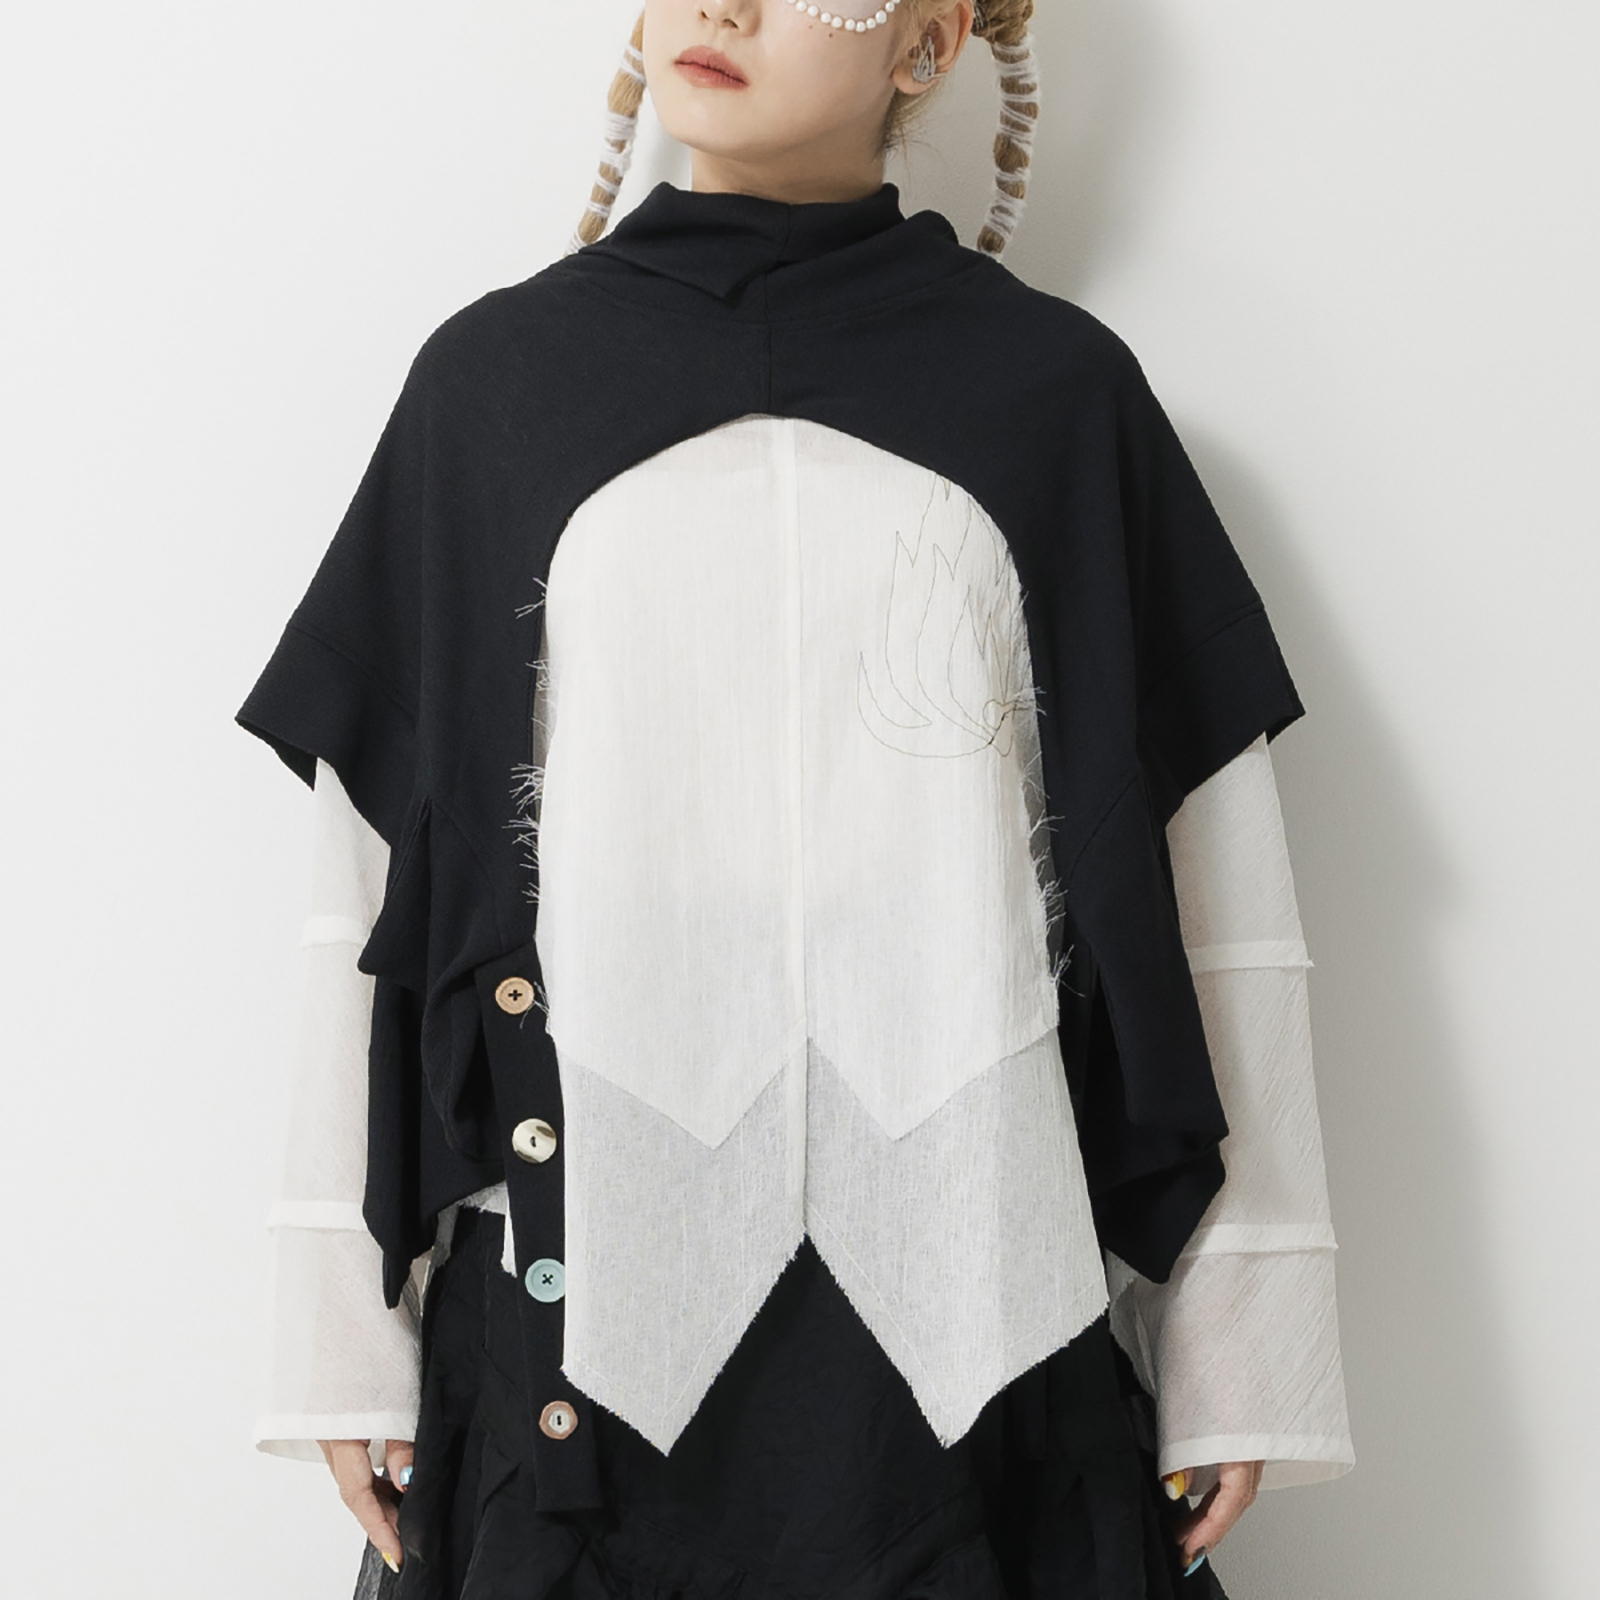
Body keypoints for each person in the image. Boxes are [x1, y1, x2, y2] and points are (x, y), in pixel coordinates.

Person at [236, 3, 1355, 1596]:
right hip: (575, 1356)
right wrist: (340, 1336)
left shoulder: (1056, 396)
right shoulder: (492, 390)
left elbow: (1205, 889)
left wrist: (1240, 1337)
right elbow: (371, 891)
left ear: (931, 42)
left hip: (972, 1347)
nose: (724, 6)